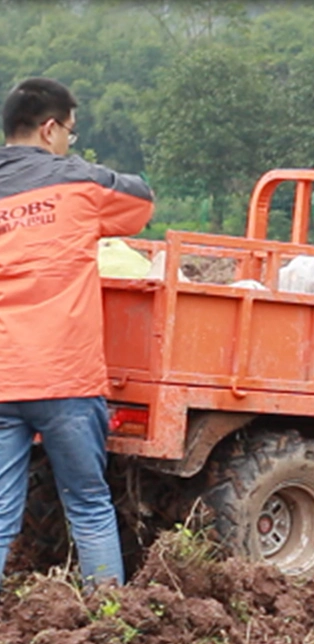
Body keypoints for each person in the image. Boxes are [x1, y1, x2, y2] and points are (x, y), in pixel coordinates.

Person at [0, 77, 154, 588]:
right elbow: (140, 204)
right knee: (88, 504)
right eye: (70, 131)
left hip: (3, 378)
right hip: (66, 378)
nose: (70, 141)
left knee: (1, 514)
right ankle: (108, 617)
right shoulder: (81, 184)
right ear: (49, 129)